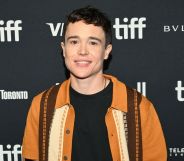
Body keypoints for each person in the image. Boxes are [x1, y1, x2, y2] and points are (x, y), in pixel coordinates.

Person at [22, 6, 167, 161]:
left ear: (106, 51)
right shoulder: (42, 106)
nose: (82, 51)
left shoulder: (139, 108)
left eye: (93, 42)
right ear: (64, 49)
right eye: (74, 41)